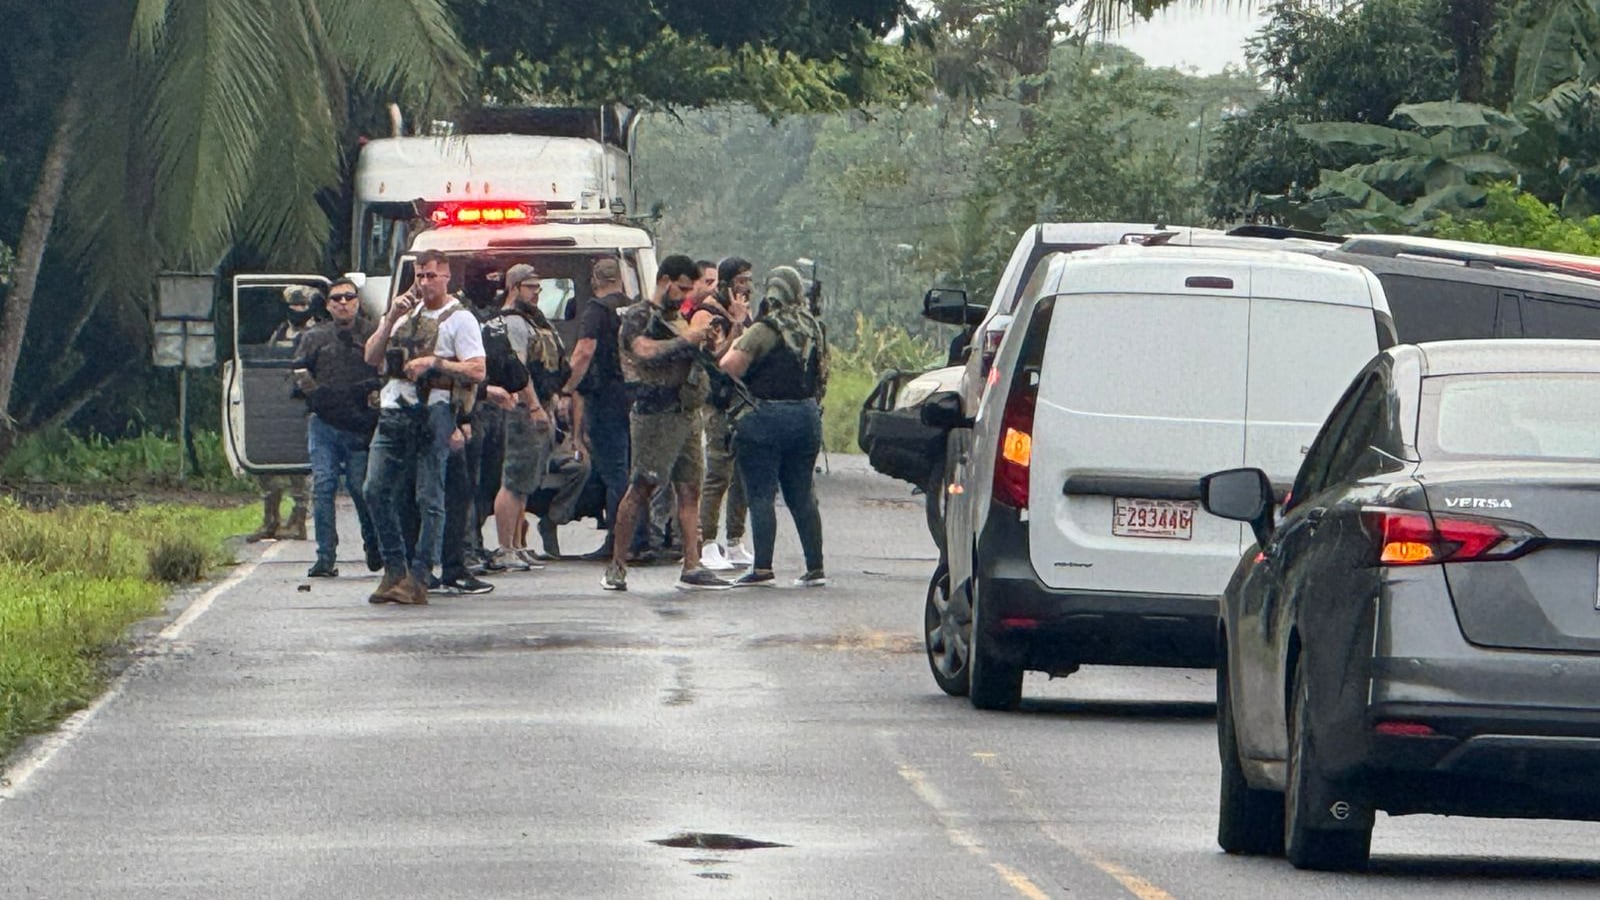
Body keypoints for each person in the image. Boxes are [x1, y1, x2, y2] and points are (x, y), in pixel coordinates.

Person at [360, 250, 486, 606]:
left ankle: (419, 575)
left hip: (434, 411)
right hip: (394, 409)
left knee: (429, 495)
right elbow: (371, 357)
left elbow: (477, 370)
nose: (425, 282)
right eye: (420, 275)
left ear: (446, 276)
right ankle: (394, 568)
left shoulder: (460, 319)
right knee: (374, 489)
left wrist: (436, 362)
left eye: (431, 275)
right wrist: (390, 319)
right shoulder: (405, 314)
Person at [601, 254, 731, 592]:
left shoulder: (679, 318)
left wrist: (708, 340)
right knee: (642, 487)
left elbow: (702, 356)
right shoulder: (639, 315)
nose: (686, 295)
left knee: (689, 489)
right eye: (682, 288)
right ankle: (617, 565)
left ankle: (692, 563)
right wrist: (686, 340)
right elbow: (641, 351)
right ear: (665, 280)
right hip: (654, 413)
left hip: (686, 410)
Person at [719, 266, 828, 587]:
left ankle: (763, 568)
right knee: (802, 494)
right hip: (807, 417)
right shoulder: (814, 327)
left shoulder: (767, 328)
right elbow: (822, 373)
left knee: (761, 494)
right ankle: (815, 567)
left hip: (765, 417)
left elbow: (730, 365)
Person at [293, 278, 382, 577]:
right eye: (336, 299)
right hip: (324, 423)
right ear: (328, 305)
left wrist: (371, 403)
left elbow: (386, 371)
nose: (343, 303)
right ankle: (325, 556)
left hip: (360, 424)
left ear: (357, 301)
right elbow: (298, 372)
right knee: (323, 486)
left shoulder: (373, 332)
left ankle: (374, 544)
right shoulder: (314, 336)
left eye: (348, 297)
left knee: (361, 488)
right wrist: (315, 394)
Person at [489, 263, 560, 571]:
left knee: (525, 481)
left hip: (539, 403)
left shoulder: (532, 321)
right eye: (531, 288)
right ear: (514, 287)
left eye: (538, 288)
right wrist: (533, 406)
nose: (536, 294)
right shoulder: (514, 323)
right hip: (521, 408)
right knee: (514, 479)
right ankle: (506, 547)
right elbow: (520, 370)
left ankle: (518, 544)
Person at [561, 258, 632, 561]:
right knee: (629, 469)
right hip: (632, 398)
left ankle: (618, 542)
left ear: (594, 279)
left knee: (614, 474)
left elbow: (584, 351)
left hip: (605, 398)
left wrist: (565, 387)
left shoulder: (596, 310)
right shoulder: (632, 308)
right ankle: (638, 537)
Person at [693, 257, 754, 571]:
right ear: (728, 283)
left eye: (749, 281)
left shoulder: (741, 311)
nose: (746, 288)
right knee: (717, 473)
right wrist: (737, 325)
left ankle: (734, 540)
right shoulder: (708, 313)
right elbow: (717, 358)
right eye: (741, 281)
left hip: (741, 402)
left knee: (741, 475)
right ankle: (706, 542)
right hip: (717, 402)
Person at [248, 286, 318, 542]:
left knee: (300, 468)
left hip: (303, 406)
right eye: (293, 306)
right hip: (276, 404)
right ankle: (271, 520)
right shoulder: (279, 332)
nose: (298, 311)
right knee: (268, 464)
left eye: (302, 306)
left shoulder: (316, 333)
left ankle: (298, 521)